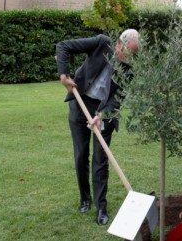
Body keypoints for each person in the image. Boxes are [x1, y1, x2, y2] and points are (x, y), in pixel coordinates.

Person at [55, 29, 139, 225]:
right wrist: (63, 74)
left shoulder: (129, 69)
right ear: (119, 43)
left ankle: (101, 207)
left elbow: (117, 100)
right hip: (80, 102)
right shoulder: (102, 43)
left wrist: (100, 116)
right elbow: (63, 46)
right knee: (81, 154)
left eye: (132, 55)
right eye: (125, 52)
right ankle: (85, 198)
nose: (127, 57)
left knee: (101, 159)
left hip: (104, 111)